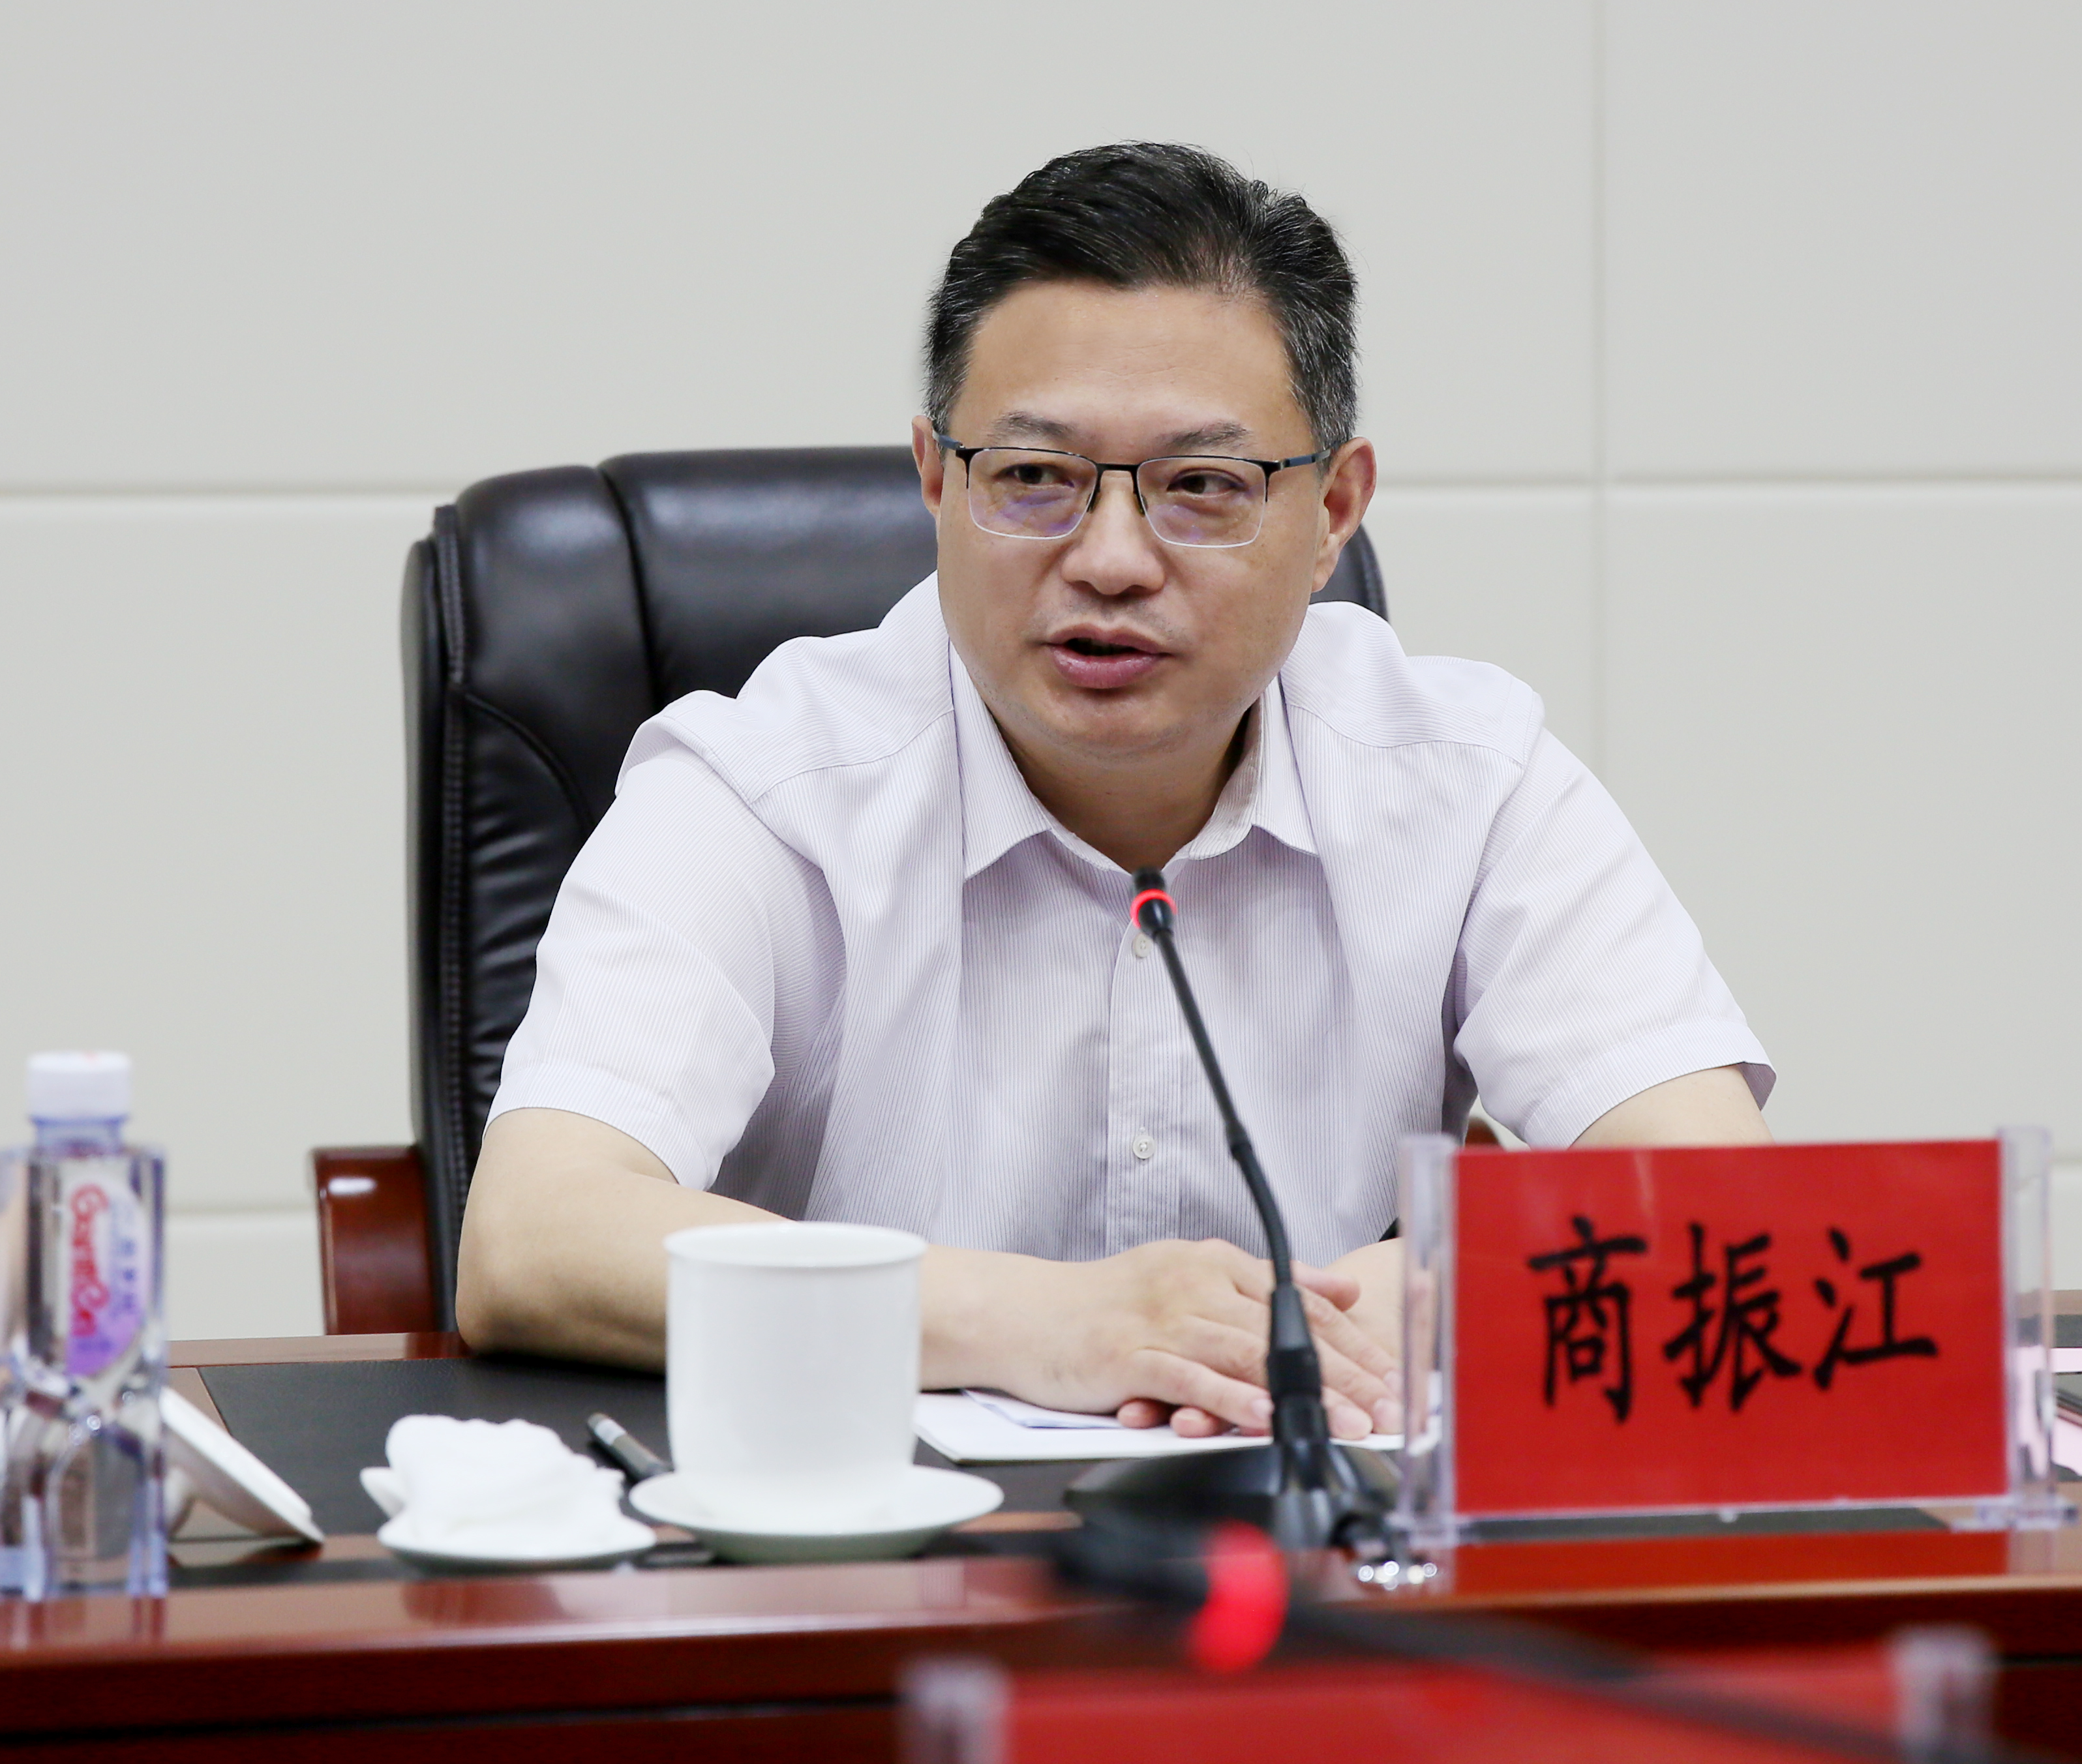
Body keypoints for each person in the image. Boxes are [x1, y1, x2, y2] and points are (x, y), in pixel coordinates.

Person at [455, 143, 1770, 1442]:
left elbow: (1724, 1202)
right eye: (1034, 478)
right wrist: (1049, 1321)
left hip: (1313, 1541)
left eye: (1201, 487)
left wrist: (1392, 1303)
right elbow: (529, 1239)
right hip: (860, 1544)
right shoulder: (761, 791)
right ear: (936, 480)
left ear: (1333, 511)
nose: (1112, 559)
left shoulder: (1467, 781)